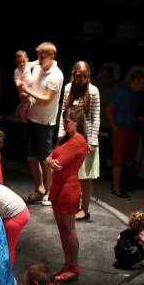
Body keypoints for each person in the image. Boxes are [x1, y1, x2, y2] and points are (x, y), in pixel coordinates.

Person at [47, 107, 91, 282]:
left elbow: (59, 162)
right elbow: (49, 158)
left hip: (68, 189)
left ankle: (73, 267)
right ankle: (67, 264)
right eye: (63, 121)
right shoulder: (63, 139)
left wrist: (51, 161)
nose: (64, 124)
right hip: (58, 187)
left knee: (69, 229)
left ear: (77, 122)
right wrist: (50, 161)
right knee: (62, 229)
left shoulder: (78, 141)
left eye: (67, 121)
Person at [18, 42, 64, 204]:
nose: (39, 60)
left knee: (45, 159)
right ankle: (40, 189)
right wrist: (25, 94)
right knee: (31, 157)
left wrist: (28, 91)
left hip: (46, 123)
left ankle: (50, 193)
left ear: (52, 57)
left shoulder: (56, 75)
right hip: (31, 117)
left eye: (42, 57)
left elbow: (47, 99)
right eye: (38, 56)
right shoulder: (37, 68)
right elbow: (31, 86)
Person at [58, 61, 101, 220]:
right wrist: (61, 135)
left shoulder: (93, 91)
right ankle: (73, 205)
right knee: (72, 174)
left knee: (85, 176)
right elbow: (64, 112)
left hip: (87, 138)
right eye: (79, 75)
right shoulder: (68, 88)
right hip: (71, 138)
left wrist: (93, 141)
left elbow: (96, 117)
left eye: (84, 76)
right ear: (73, 75)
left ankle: (84, 208)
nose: (81, 79)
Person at [108, 70, 144, 199]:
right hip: (120, 129)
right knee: (118, 159)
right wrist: (114, 126)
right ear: (135, 80)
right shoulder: (122, 91)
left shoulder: (137, 94)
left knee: (128, 159)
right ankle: (116, 188)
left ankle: (121, 184)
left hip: (131, 129)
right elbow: (110, 109)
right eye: (142, 82)